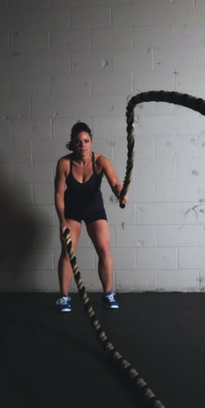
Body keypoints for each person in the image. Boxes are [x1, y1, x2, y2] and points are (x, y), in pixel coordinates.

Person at [54, 121, 127, 313]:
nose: (82, 145)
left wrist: (121, 193)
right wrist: (62, 221)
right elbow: (59, 194)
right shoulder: (64, 163)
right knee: (68, 252)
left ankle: (108, 294)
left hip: (95, 210)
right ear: (73, 143)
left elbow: (115, 183)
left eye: (86, 141)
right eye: (78, 142)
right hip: (72, 212)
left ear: (92, 142)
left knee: (104, 249)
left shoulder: (100, 161)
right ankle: (64, 297)